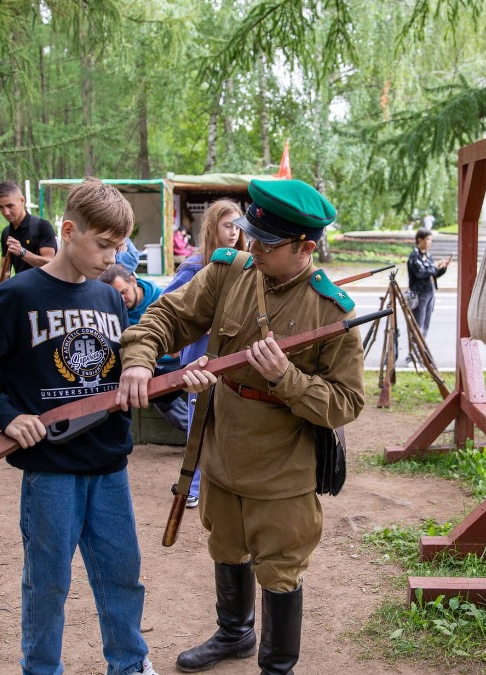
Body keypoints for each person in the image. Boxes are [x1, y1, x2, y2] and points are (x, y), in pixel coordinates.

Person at [116, 179, 365, 675]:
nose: (251, 247)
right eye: (250, 235)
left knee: (280, 567)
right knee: (225, 544)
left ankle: (276, 667)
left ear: (306, 247)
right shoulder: (231, 272)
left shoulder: (332, 311)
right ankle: (235, 634)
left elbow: (346, 403)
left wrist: (287, 379)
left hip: (282, 468)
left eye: (267, 244)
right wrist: (139, 360)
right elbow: (166, 314)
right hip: (222, 451)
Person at [0, 178, 169, 675]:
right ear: (68, 230)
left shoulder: (110, 298)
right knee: (47, 581)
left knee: (122, 575)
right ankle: (41, 668)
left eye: (119, 247)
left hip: (109, 465)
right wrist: (5, 415)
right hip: (51, 470)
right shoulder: (17, 296)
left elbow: (120, 373)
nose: (112, 259)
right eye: (104, 245)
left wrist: (166, 377)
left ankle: (129, 664)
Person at [162, 198, 246, 509]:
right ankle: (193, 485)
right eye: (228, 225)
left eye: (238, 226)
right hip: (198, 360)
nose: (235, 232)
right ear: (213, 228)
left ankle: (223, 482)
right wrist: (203, 323)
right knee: (199, 423)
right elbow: (169, 308)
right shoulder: (195, 267)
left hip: (231, 359)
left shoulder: (245, 264)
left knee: (229, 422)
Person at [98, 263, 192, 436]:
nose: (121, 299)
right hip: (150, 367)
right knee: (149, 384)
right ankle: (192, 431)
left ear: (133, 281)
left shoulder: (160, 296)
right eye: (115, 296)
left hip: (178, 359)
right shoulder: (114, 311)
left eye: (123, 292)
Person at [0, 180, 58, 275]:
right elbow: (5, 270)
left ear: (22, 200)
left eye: (10, 206)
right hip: (22, 289)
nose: (6, 212)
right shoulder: (6, 233)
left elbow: (50, 263)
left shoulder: (42, 227)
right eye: (1, 207)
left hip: (45, 288)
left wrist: (22, 252)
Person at [407, 228, 450, 338]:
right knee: (418, 325)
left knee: (426, 325)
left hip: (430, 292)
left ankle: (422, 351)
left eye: (430, 240)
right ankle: (413, 352)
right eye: (428, 239)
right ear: (420, 240)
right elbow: (421, 273)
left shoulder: (429, 256)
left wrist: (443, 267)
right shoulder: (414, 256)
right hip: (419, 294)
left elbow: (433, 274)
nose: (430, 242)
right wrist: (435, 266)